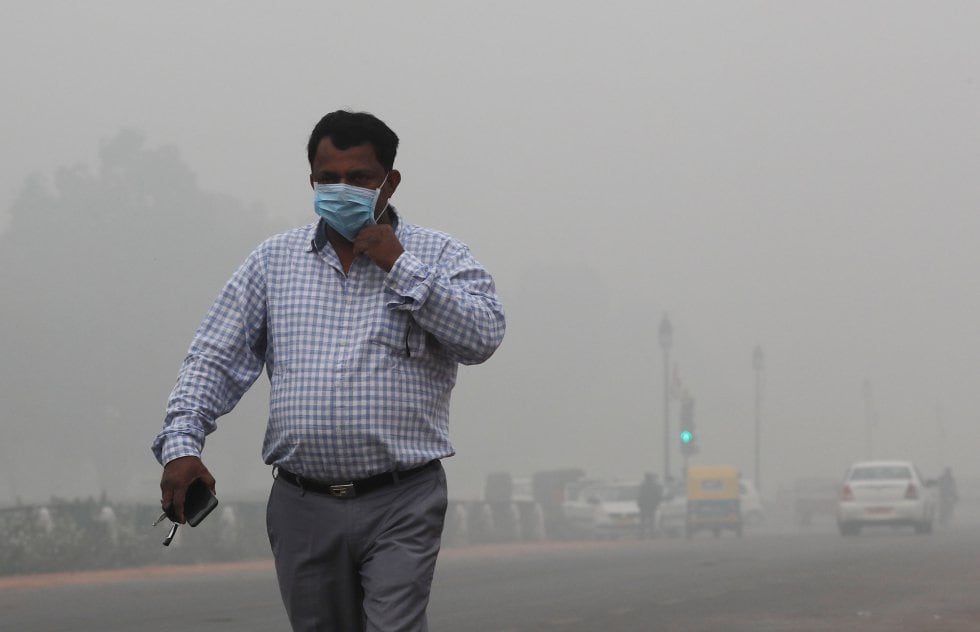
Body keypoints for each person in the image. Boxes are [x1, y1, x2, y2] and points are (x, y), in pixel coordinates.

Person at [151, 110, 506, 631]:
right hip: (302, 502)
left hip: (401, 497)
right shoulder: (273, 262)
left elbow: (483, 336)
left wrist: (399, 264)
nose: (342, 189)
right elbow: (214, 358)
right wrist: (182, 444)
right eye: (328, 178)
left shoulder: (439, 255)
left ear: (390, 182)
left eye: (359, 178)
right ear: (311, 180)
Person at [637, 472, 663, 539]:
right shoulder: (654, 486)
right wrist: (657, 504)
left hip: (644, 506)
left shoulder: (643, 485)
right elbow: (658, 496)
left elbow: (639, 496)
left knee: (643, 522)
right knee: (652, 522)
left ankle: (642, 535)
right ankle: (652, 535)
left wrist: (639, 504)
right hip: (652, 506)